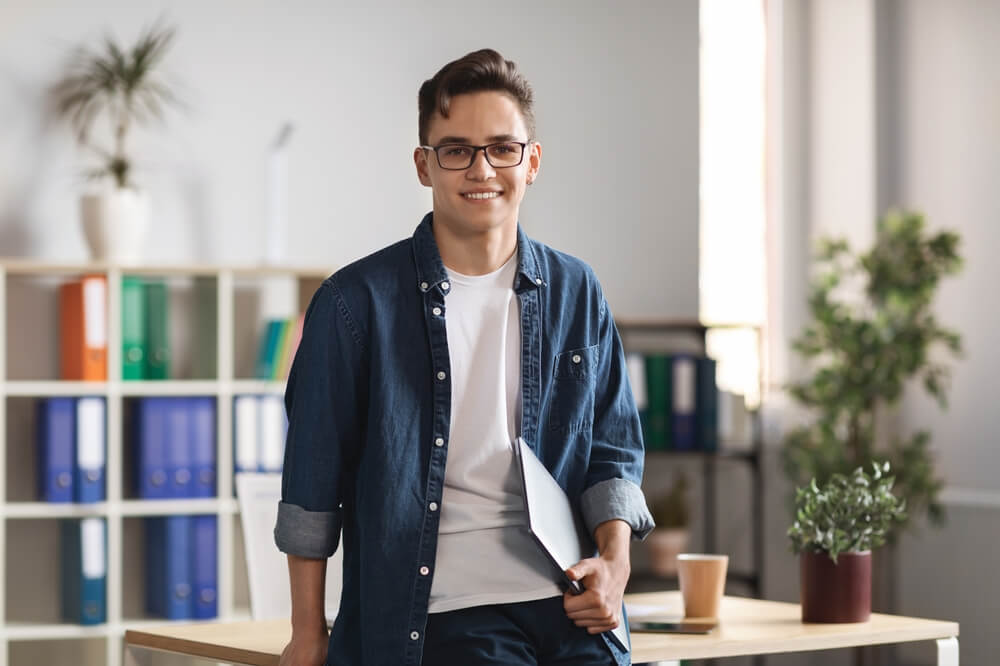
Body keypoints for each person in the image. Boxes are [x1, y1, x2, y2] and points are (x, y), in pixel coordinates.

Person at [274, 48, 654, 666]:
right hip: (441, 612)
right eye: (456, 150)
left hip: (570, 603)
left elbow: (612, 453)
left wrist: (614, 567)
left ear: (532, 161)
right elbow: (312, 483)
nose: (482, 169)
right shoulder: (354, 304)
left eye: (502, 148)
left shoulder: (577, 290)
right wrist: (308, 632)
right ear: (425, 166)